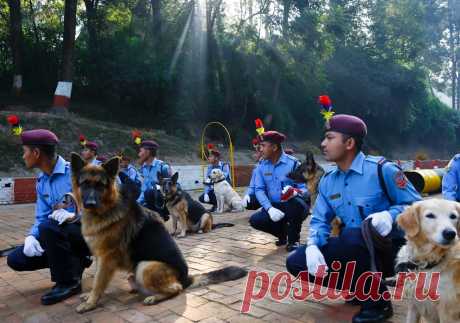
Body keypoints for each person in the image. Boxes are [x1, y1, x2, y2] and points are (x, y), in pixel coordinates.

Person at [285, 114, 421, 323]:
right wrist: (312, 245)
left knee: (351, 236)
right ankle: (360, 288)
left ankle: (379, 303)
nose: (323, 144)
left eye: (329, 138)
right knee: (296, 261)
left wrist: (391, 215)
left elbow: (417, 206)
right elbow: (320, 220)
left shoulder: (381, 170)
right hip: (356, 246)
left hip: (393, 249)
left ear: (349, 143)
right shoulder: (329, 181)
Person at [7, 129, 91, 305]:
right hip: (60, 235)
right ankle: (74, 262)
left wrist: (76, 215)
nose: (23, 156)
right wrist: (31, 236)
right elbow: (41, 216)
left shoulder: (76, 172)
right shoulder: (42, 181)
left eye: (25, 151)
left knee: (49, 227)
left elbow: (104, 206)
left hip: (89, 235)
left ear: (36, 153)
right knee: (16, 259)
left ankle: (69, 282)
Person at [248, 130, 310, 252]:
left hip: (295, 205)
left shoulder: (293, 164)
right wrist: (269, 208)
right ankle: (282, 234)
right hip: (275, 205)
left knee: (294, 204)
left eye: (263, 146)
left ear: (275, 147)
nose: (260, 149)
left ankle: (293, 240)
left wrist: (296, 191)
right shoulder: (262, 166)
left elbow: (305, 188)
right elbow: (259, 189)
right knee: (255, 220)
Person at [137, 139, 171, 221]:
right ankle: (156, 217)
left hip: (164, 201)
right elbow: (143, 188)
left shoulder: (163, 167)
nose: (139, 154)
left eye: (141, 151)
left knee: (150, 191)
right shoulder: (143, 168)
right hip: (150, 200)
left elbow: (172, 187)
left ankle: (162, 215)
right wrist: (137, 203)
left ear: (147, 152)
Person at [199, 144, 232, 212]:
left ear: (216, 158)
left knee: (216, 192)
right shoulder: (210, 167)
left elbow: (222, 179)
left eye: (210, 156)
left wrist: (212, 181)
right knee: (202, 198)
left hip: (225, 191)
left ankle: (225, 205)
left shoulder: (224, 166)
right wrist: (206, 193)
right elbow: (208, 181)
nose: (208, 158)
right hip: (215, 189)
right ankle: (216, 205)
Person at [243, 137, 263, 210]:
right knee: (248, 201)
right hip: (260, 193)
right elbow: (252, 184)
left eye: (257, 152)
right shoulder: (256, 167)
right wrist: (247, 194)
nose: (254, 155)